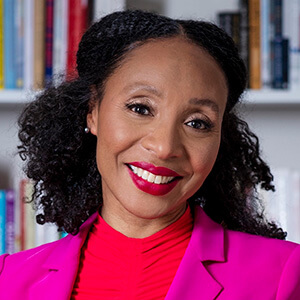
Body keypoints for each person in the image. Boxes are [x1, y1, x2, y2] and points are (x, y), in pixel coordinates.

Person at [0, 9, 299, 300]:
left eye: (197, 123)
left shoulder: (284, 274)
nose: (165, 147)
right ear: (93, 111)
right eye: (140, 108)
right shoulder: (8, 279)